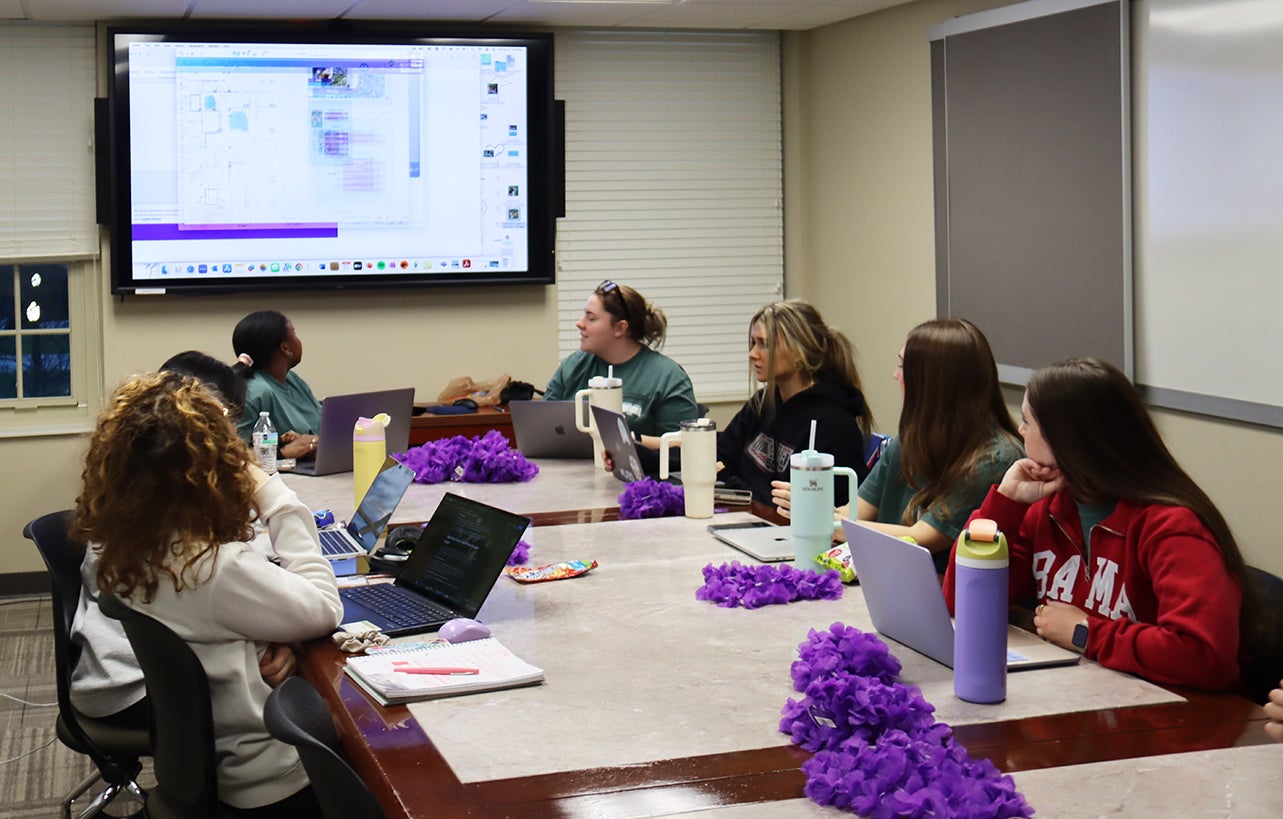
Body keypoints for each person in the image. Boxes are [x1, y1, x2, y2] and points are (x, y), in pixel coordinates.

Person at [70, 370, 343, 815]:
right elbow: (326, 608)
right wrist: (273, 492)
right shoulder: (210, 567)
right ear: (212, 465)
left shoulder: (136, 544)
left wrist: (270, 635)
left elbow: (215, 621)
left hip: (217, 765)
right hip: (274, 778)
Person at [944, 358, 1252, 691]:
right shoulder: (1047, 509)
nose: (1020, 431)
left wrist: (1085, 633)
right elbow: (961, 605)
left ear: (1067, 438)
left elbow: (1204, 656)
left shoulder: (1171, 527)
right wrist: (1005, 502)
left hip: (1165, 716)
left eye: (1027, 421)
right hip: (1081, 695)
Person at [69, 352, 297, 732]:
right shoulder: (174, 539)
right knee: (308, 692)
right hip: (141, 687)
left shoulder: (130, 504)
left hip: (109, 673)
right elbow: (222, 588)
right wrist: (271, 640)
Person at [772, 319, 1022, 572]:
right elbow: (855, 512)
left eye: (902, 366)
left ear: (932, 381)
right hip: (889, 579)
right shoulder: (911, 439)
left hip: (941, 599)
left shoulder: (993, 459)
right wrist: (812, 506)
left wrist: (823, 520)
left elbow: (921, 539)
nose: (895, 375)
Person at [716, 300, 873, 506]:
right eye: (753, 343)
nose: (752, 353)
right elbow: (722, 454)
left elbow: (792, 505)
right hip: (753, 523)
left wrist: (729, 481)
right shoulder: (764, 402)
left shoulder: (832, 423)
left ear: (799, 352)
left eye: (765, 344)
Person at [543, 280, 699, 442]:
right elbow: (541, 426)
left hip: (642, 467)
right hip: (568, 466)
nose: (580, 324)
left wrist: (628, 440)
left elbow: (681, 447)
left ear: (620, 328)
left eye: (591, 318)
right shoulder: (573, 366)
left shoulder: (667, 377)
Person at [232, 310, 321, 461]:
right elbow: (234, 455)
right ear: (285, 348)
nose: (298, 340)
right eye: (294, 333)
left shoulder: (292, 380)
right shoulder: (256, 391)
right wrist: (283, 452)